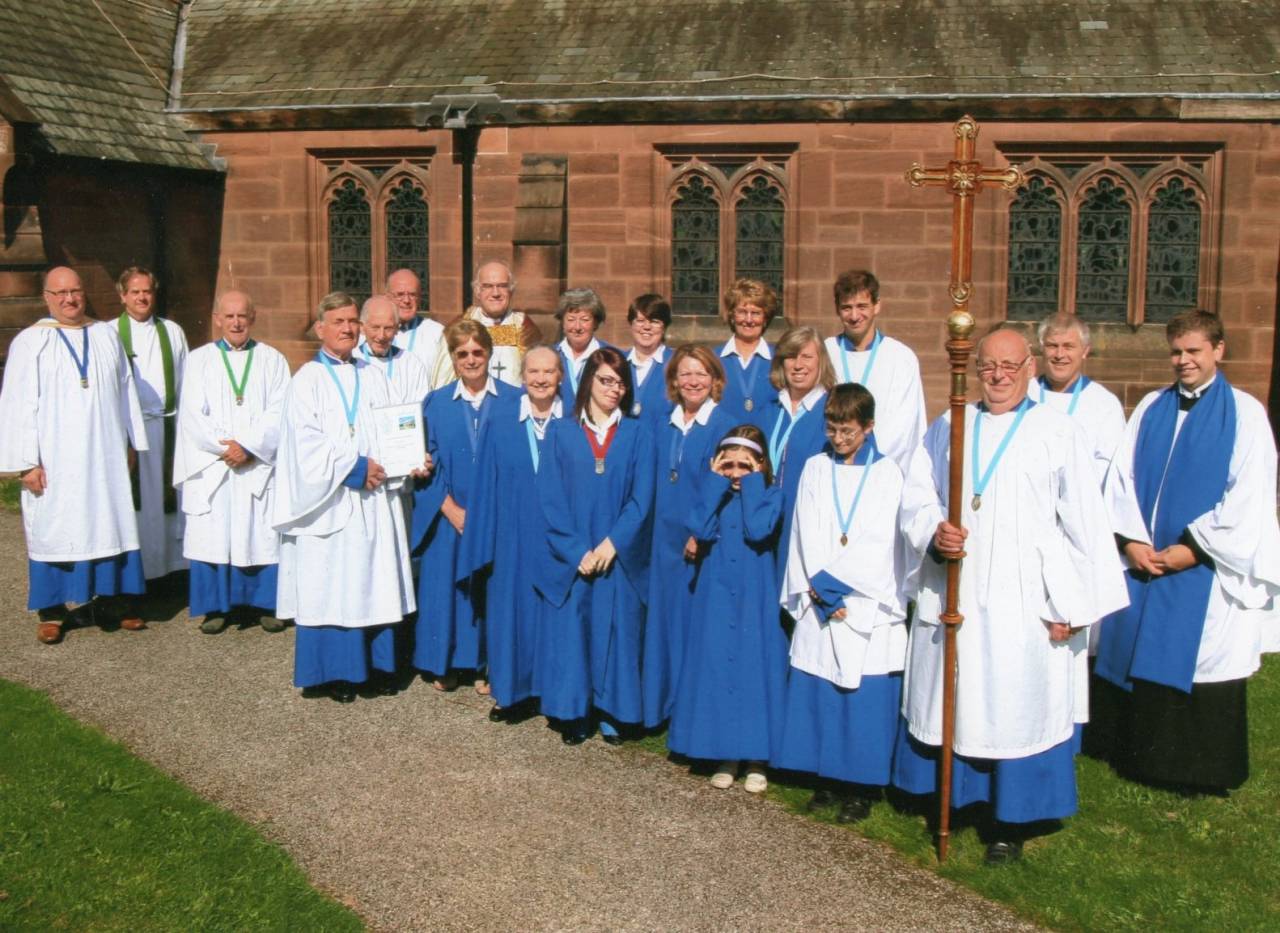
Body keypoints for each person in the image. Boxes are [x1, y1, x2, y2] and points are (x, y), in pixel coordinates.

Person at [895, 327, 1128, 864]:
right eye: (987, 367)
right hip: (960, 582)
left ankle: (1010, 822)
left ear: (1030, 367)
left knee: (1013, 701)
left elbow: (1083, 526)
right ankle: (957, 801)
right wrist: (934, 530)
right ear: (975, 370)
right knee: (962, 695)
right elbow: (918, 493)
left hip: (1023, 595)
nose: (998, 376)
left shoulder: (1055, 430)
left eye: (1009, 366)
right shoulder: (951, 423)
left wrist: (1070, 606)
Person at [1093, 309, 1280, 795]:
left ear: (1219, 349)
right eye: (1176, 352)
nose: (1183, 361)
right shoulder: (1153, 405)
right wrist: (1132, 540)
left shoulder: (1245, 414)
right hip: (1146, 560)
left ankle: (1197, 771)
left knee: (1201, 659)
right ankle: (1132, 755)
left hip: (1203, 569)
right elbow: (1122, 478)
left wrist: (1192, 550)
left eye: (1193, 351)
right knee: (1135, 640)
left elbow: (1249, 496)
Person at [274, 292, 422, 703]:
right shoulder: (307, 380)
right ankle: (337, 673)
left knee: (374, 580)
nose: (347, 328)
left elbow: (394, 428)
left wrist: (406, 458)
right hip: (334, 501)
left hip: (375, 500)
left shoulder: (371, 373)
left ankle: (377, 667)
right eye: (337, 321)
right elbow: (304, 444)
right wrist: (354, 468)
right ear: (320, 328)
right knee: (335, 584)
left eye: (352, 320)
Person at [775, 383, 913, 823]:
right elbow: (805, 530)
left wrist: (837, 587)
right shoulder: (816, 468)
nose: (839, 439)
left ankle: (861, 787)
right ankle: (827, 780)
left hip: (865, 601)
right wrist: (817, 589)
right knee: (824, 696)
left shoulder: (887, 473)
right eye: (832, 429)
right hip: (821, 597)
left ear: (869, 427)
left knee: (863, 701)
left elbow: (880, 540)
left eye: (848, 431)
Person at [0, 266, 148, 643]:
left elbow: (126, 390)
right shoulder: (31, 342)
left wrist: (132, 442)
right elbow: (17, 405)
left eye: (76, 291)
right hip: (56, 459)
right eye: (60, 292)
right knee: (57, 527)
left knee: (108, 524)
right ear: (47, 298)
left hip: (104, 456)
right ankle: (52, 611)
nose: (70, 299)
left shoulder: (105, 335)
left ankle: (113, 602)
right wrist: (25, 463)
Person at [535, 346, 655, 744]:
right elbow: (550, 499)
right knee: (574, 630)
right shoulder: (562, 431)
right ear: (588, 380)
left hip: (615, 554)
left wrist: (612, 544)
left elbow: (642, 499)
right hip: (575, 554)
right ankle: (574, 711)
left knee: (617, 631)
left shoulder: (637, 434)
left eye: (621, 383)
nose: (614, 389)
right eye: (606, 380)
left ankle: (613, 710)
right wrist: (576, 551)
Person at [668, 425, 785, 794]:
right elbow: (699, 528)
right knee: (718, 667)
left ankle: (756, 758)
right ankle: (725, 754)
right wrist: (715, 483)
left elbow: (757, 529)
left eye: (744, 466)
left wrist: (753, 485)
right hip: (717, 591)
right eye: (729, 465)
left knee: (752, 670)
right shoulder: (715, 493)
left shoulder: (771, 496)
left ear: (761, 465)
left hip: (755, 596)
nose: (736, 473)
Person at [174, 290, 290, 634]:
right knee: (214, 532)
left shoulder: (272, 360)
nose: (236, 323)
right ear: (217, 319)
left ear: (252, 318)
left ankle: (264, 603)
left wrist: (250, 446)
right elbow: (192, 413)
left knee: (259, 531)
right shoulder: (198, 360)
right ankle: (215, 608)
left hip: (255, 462)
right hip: (215, 464)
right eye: (229, 316)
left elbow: (280, 410)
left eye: (242, 316)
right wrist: (226, 447)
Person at [412, 321, 520, 692]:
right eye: (462, 354)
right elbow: (426, 464)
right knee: (446, 586)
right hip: (449, 513)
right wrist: (451, 509)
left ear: (489, 354)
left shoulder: (514, 400)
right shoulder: (436, 403)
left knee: (491, 586)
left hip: (498, 514)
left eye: (477, 352)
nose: (471, 360)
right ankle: (445, 663)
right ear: (453, 359)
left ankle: (485, 664)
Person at [460, 345, 564, 722]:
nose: (540, 379)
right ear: (523, 377)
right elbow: (485, 484)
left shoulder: (571, 421)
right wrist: (481, 542)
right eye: (533, 372)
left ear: (560, 378)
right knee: (510, 614)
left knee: (553, 617)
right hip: (512, 536)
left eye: (548, 372)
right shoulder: (503, 420)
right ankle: (512, 694)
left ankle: (555, 698)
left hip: (557, 536)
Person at [642, 344, 736, 729]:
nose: (693, 381)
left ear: (715, 380)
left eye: (701, 374)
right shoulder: (663, 423)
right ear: (674, 381)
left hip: (698, 541)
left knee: (691, 626)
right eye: (685, 374)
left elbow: (727, 488)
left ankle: (688, 712)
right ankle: (659, 708)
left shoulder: (724, 425)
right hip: (661, 538)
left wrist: (701, 533)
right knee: (662, 622)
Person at [111, 266, 189, 583]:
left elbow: (185, 380)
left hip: (169, 426)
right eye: (135, 292)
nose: (142, 297)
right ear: (122, 296)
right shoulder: (110, 332)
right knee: (138, 503)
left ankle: (172, 570)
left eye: (147, 291)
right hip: (132, 431)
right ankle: (140, 573)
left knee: (171, 502)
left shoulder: (172, 331)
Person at [822, 270, 926, 472]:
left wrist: (867, 460)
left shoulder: (901, 357)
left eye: (862, 306)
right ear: (837, 309)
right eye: (846, 308)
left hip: (881, 468)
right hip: (832, 464)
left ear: (877, 305)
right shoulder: (825, 352)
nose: (854, 316)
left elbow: (905, 425)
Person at [758, 326, 837, 576]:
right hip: (766, 526)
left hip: (811, 530)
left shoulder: (834, 410)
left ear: (821, 362)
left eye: (807, 356)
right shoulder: (768, 411)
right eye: (791, 356)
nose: (798, 364)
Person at [1033, 312, 1125, 485]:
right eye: (1052, 345)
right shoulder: (1025, 392)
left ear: (1085, 351)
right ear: (1041, 349)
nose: (1059, 355)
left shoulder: (1104, 403)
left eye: (1068, 346)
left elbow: (1109, 464)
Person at [431, 260, 541, 387]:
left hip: (513, 403)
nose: (496, 293)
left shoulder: (524, 326)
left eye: (502, 286)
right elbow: (443, 381)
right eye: (488, 286)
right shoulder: (458, 328)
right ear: (478, 292)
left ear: (511, 290)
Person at [717, 278, 778, 423]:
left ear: (765, 318)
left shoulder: (779, 359)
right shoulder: (713, 359)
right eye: (742, 312)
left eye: (756, 313)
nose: (749, 320)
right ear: (732, 316)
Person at [359, 295, 432, 405]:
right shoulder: (351, 360)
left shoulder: (411, 364)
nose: (381, 336)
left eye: (388, 328)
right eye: (375, 327)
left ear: (397, 329)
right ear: (362, 327)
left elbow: (419, 407)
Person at [555, 287, 612, 409]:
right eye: (571, 319)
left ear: (596, 322)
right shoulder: (549, 356)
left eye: (585, 319)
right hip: (558, 426)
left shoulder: (610, 356)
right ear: (562, 322)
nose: (577, 327)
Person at [386, 268, 444, 381]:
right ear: (387, 297)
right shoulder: (372, 333)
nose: (406, 300)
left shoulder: (437, 333)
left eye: (412, 294)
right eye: (400, 294)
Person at [625, 294, 672, 422]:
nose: (646, 327)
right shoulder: (618, 363)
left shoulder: (677, 363)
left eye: (654, 321)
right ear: (631, 324)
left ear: (664, 327)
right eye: (640, 321)